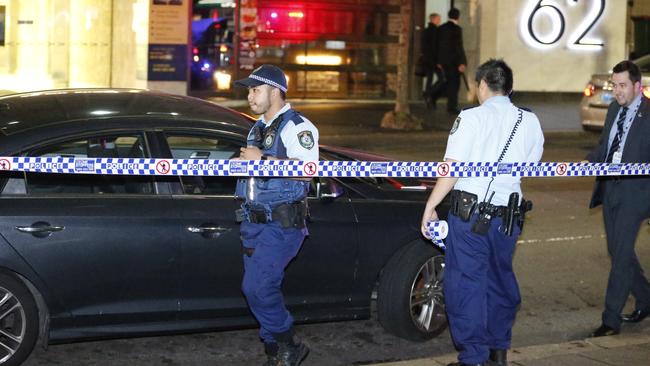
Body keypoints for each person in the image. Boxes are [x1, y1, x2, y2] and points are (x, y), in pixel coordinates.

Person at [420, 59, 544, 366]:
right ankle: (497, 351)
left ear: (482, 85)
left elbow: (451, 168)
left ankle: (473, 358)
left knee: (466, 284)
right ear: (510, 88)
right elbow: (530, 165)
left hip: (470, 217)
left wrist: (431, 205)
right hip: (509, 220)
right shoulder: (529, 121)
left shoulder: (471, 117)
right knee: (500, 280)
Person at [234, 64, 318, 366]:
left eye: (255, 90)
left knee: (256, 287)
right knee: (261, 289)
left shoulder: (299, 127)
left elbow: (307, 173)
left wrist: (264, 159)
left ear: (275, 91)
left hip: (281, 223)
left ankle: (289, 342)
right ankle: (275, 351)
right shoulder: (257, 127)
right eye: (248, 91)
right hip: (253, 223)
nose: (249, 96)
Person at [586, 60, 650, 338]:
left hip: (637, 192)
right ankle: (647, 299)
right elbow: (605, 146)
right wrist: (587, 162)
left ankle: (611, 320)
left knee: (621, 255)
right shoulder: (614, 109)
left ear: (638, 86)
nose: (617, 92)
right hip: (610, 188)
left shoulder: (649, 115)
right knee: (617, 251)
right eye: (615, 85)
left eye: (623, 86)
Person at [436, 8, 467, 114]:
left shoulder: (441, 28)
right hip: (454, 62)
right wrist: (462, 62)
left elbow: (438, 46)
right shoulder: (457, 29)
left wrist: (439, 61)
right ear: (458, 17)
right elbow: (459, 47)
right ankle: (451, 107)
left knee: (446, 82)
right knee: (454, 85)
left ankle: (433, 96)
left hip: (444, 62)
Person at [421, 13, 442, 108]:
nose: (440, 20)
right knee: (442, 78)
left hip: (427, 59)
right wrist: (438, 61)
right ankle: (428, 93)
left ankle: (428, 96)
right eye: (438, 19)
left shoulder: (426, 30)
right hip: (433, 60)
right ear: (433, 19)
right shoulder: (435, 31)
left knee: (429, 79)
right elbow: (435, 47)